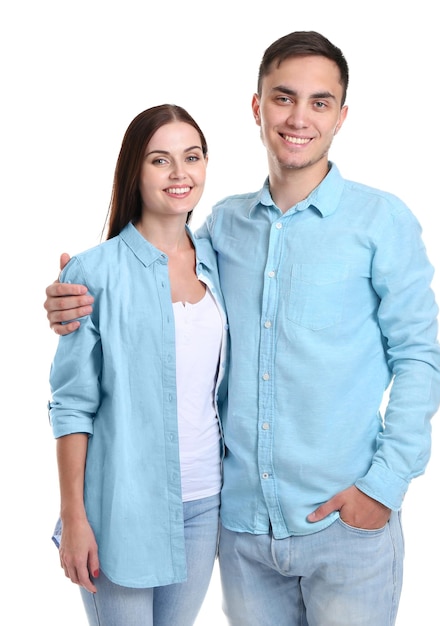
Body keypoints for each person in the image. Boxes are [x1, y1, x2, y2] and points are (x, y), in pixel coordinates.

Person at [44, 31, 440, 626]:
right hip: (242, 535)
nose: (299, 118)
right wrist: (74, 295)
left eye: (320, 102)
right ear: (257, 108)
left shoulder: (380, 221)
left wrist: (383, 486)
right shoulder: (221, 228)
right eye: (283, 98)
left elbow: (419, 359)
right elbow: (154, 278)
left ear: (341, 116)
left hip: (345, 527)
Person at [47, 104, 228, 626]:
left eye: (191, 157)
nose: (179, 174)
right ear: (135, 170)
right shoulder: (94, 271)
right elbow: (72, 406)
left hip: (205, 504)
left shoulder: (218, 258)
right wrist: (74, 516)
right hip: (122, 508)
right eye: (160, 160)